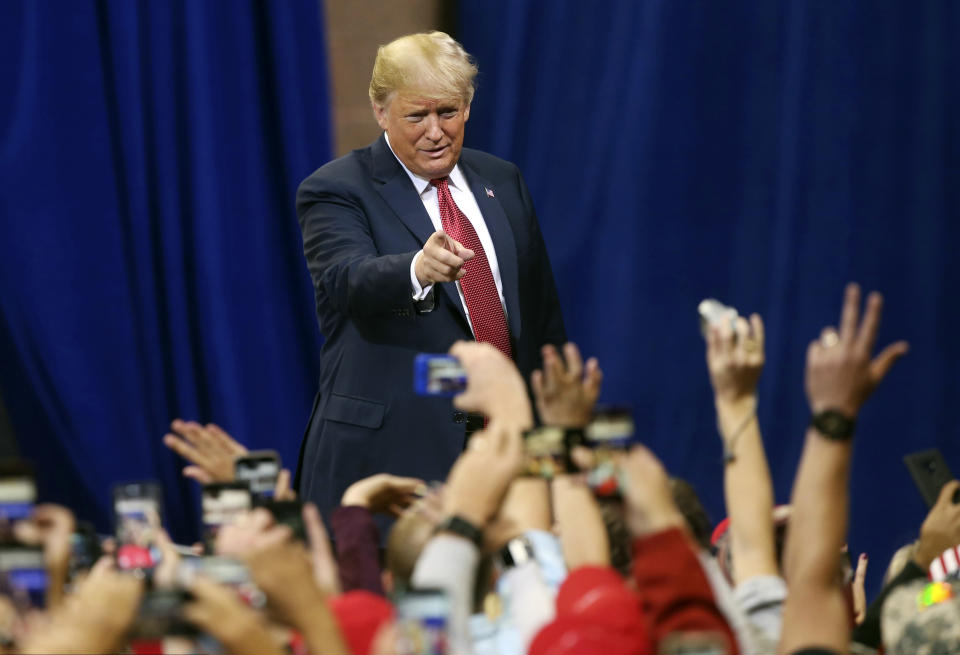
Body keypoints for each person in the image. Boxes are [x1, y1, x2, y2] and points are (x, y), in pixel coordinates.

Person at [293, 31, 566, 521]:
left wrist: (554, 439)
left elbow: (541, 315)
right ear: (381, 111)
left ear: (468, 105)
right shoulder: (336, 189)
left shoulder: (501, 181)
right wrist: (416, 268)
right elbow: (346, 282)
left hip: (507, 459)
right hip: (393, 459)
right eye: (416, 116)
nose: (435, 132)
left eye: (448, 112)